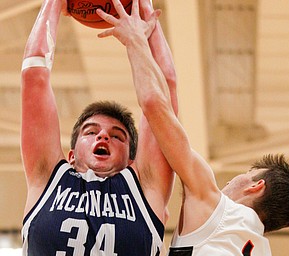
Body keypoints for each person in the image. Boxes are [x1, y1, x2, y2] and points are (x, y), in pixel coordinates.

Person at [96, 0, 289, 255]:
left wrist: (135, 40)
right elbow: (166, 86)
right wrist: (147, 23)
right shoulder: (260, 249)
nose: (234, 179)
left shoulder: (214, 205)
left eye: (246, 174)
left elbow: (155, 102)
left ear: (255, 186)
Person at [20, 0, 177, 255]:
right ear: (70, 155)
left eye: (117, 136)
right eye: (91, 132)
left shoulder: (145, 188)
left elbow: (164, 90)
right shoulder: (48, 178)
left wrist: (143, 18)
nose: (103, 135)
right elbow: (33, 75)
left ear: (131, 161)